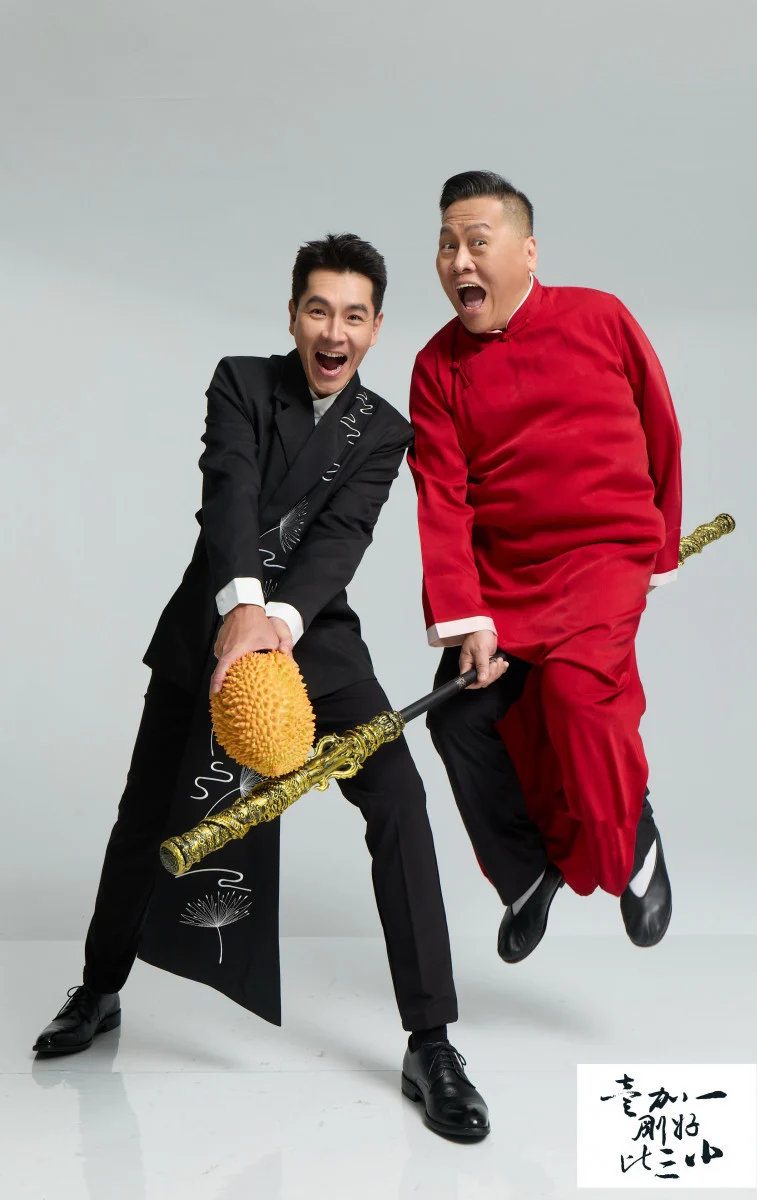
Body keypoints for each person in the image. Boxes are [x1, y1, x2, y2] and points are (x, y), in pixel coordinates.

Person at [33, 233, 489, 1141]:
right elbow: (229, 493)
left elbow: (341, 540)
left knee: (399, 800)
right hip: (211, 621)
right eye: (318, 310)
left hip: (313, 636)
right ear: (292, 316)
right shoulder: (240, 382)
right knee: (146, 811)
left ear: (376, 328)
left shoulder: (383, 430)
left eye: (353, 316)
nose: (334, 332)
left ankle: (432, 1042)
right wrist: (241, 607)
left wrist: (276, 622)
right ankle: (99, 989)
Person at [408, 172, 681, 963]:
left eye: (477, 242)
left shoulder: (600, 317)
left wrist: (659, 548)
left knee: (574, 694)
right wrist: (469, 618)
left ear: (528, 253)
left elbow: (661, 425)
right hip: (503, 581)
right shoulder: (436, 366)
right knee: (459, 719)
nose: (459, 260)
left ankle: (631, 844)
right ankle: (528, 874)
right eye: (447, 245)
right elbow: (442, 499)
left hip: (604, 552)